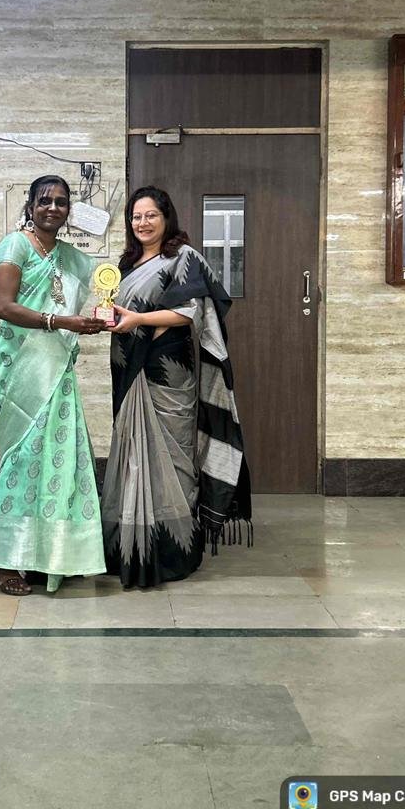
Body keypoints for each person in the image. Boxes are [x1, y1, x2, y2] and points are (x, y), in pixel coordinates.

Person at [101, 185, 252, 589]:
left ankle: (172, 550)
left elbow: (190, 312)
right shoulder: (127, 264)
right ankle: (130, 546)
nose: (143, 223)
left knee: (173, 452)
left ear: (167, 218)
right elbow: (121, 309)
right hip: (127, 368)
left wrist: (138, 320)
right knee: (131, 451)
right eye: (136, 216)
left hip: (167, 371)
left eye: (151, 215)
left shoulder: (183, 257)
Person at [0, 174, 107, 595]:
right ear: (31, 206)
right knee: (21, 459)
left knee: (60, 457)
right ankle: (5, 561)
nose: (53, 208)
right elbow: (4, 307)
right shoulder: (15, 246)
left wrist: (98, 318)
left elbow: (95, 298)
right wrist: (61, 321)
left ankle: (48, 555)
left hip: (58, 371)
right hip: (23, 368)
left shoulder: (72, 258)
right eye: (45, 201)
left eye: (61, 201)